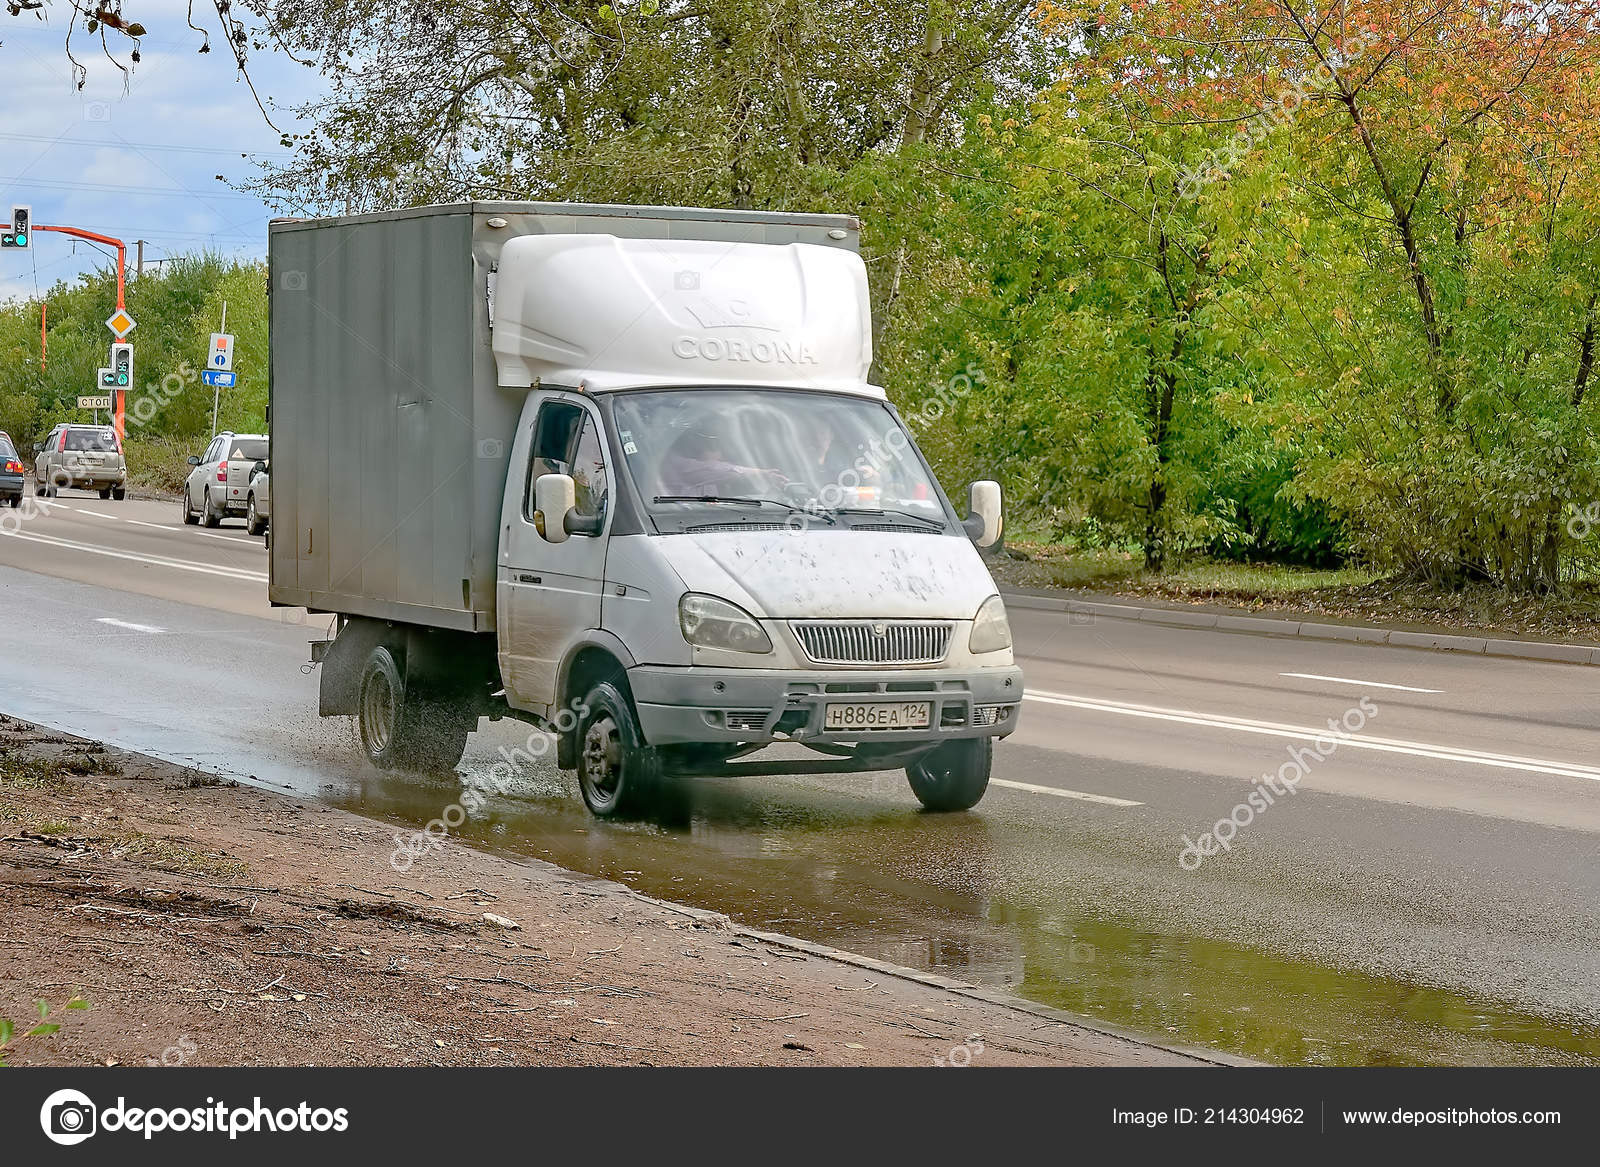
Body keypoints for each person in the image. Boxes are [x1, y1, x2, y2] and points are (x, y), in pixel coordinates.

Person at [659, 429, 785, 496]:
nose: (721, 457)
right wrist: (763, 473)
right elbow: (717, 470)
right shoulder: (676, 464)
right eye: (715, 448)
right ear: (697, 446)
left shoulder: (709, 478)